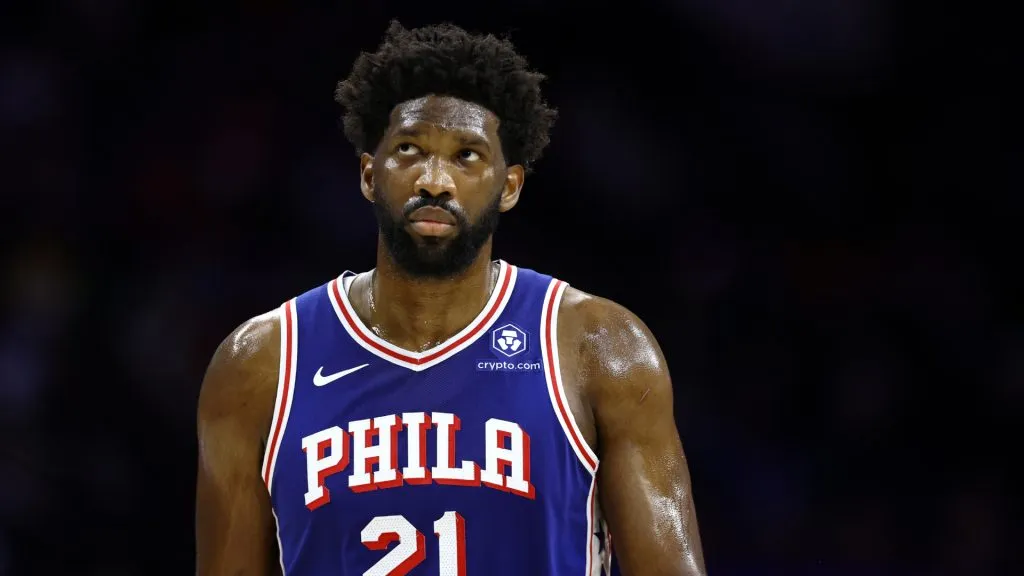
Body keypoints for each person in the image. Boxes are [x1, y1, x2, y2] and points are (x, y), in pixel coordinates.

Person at [195, 20, 706, 576]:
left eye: (466, 155)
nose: (434, 180)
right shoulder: (261, 365)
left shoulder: (600, 347)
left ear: (509, 186)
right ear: (369, 173)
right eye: (410, 149)